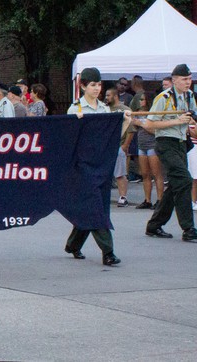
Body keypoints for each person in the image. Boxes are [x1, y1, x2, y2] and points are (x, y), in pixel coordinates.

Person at [65, 67, 130, 266]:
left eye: (99, 84)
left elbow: (111, 139)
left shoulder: (104, 109)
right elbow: (69, 141)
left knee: (93, 206)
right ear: (83, 86)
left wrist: (125, 123)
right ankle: (108, 252)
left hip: (101, 164)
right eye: (92, 85)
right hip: (82, 165)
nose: (97, 88)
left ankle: (74, 244)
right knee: (95, 206)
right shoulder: (75, 109)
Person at [143, 64, 197, 242]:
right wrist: (176, 121)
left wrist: (192, 125)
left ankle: (154, 225)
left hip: (181, 143)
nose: (188, 82)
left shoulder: (189, 96)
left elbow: (191, 119)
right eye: (184, 79)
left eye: (189, 79)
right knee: (184, 179)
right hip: (166, 143)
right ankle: (189, 228)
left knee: (175, 185)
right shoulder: (164, 98)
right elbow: (149, 125)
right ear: (174, 80)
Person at [130, 91, 164, 209]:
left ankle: (160, 199)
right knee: (145, 174)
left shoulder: (152, 113)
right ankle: (147, 199)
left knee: (157, 173)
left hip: (152, 144)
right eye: (140, 99)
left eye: (143, 99)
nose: (141, 101)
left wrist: (142, 124)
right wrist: (134, 123)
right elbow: (135, 129)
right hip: (141, 144)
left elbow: (155, 130)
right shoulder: (139, 112)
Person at [105, 87, 134, 207]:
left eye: (108, 95)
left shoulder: (125, 110)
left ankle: (123, 197)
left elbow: (131, 130)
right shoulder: (104, 109)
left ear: (115, 96)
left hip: (118, 145)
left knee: (120, 173)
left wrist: (125, 146)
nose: (106, 98)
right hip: (105, 146)